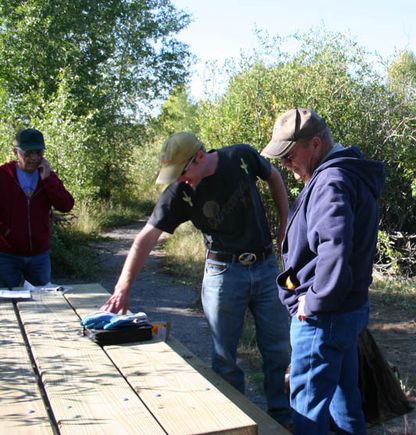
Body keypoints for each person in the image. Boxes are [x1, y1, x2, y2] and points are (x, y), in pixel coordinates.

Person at [100, 132, 292, 425]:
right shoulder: (180, 193)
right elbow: (145, 239)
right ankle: (236, 423)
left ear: (200, 157)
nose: (180, 180)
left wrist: (285, 225)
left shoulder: (240, 156)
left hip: (266, 267)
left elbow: (274, 176)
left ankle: (282, 418)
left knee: (277, 350)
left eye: (182, 172)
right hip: (223, 275)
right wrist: (122, 288)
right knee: (225, 359)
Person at [261, 108, 385, 434]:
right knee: (343, 403)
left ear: (314, 143)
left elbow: (335, 249)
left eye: (289, 155)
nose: (285, 164)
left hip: (324, 317)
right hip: (346, 311)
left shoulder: (331, 180)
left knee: (307, 409)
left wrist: (314, 300)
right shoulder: (345, 173)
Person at [0, 128, 74, 288]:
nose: (34, 158)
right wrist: (6, 232)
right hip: (6, 255)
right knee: (5, 304)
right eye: (28, 153)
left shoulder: (47, 176)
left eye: (39, 152)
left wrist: (48, 180)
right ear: (16, 152)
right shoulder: (3, 176)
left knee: (44, 303)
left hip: (39, 255)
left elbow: (66, 205)